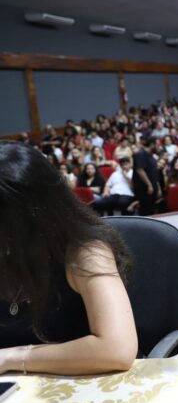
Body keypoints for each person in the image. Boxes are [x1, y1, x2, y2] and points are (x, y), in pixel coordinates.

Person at [0, 141, 137, 375]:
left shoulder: (86, 251)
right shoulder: (8, 252)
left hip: (85, 392)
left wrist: (12, 357)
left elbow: (117, 349)